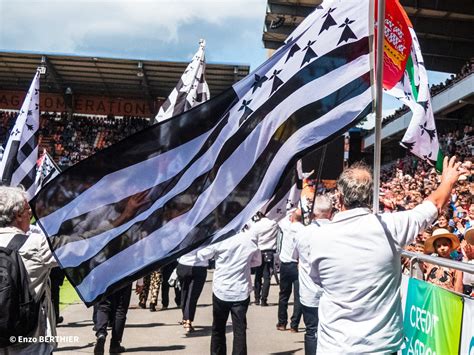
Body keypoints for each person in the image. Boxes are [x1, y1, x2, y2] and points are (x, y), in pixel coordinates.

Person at [306, 157, 463, 353]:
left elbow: (317, 280)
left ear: (339, 198)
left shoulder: (318, 236)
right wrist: (447, 181)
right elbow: (434, 205)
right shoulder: (391, 227)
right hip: (380, 346)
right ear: (371, 196)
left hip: (336, 346)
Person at [0, 186, 57, 354]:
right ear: (17, 215)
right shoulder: (36, 244)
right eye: (28, 210)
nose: (30, 214)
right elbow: (79, 249)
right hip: (29, 341)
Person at [197, 229, 261, 355]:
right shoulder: (250, 237)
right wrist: (244, 264)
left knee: (218, 328)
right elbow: (257, 261)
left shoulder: (221, 237)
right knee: (239, 329)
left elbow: (202, 254)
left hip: (222, 289)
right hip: (241, 290)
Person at [294, 195, 333, 355]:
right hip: (332, 293)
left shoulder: (302, 233)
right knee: (331, 333)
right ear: (330, 212)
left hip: (310, 293)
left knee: (312, 332)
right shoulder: (338, 231)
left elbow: (294, 258)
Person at [276, 209, 303, 332]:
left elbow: (280, 218)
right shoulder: (304, 230)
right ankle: (294, 325)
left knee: (283, 295)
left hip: (286, 265)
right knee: (298, 297)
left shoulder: (287, 226)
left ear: (292, 217)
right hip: (298, 265)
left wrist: (289, 212)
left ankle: (282, 323)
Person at [250, 212, 280, 306]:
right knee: (267, 276)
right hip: (269, 251)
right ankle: (264, 299)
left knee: (258, 276)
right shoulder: (273, 223)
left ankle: (256, 298)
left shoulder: (256, 225)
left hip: (259, 251)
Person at [93, 283, 133, 354]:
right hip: (124, 275)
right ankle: (115, 344)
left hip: (104, 276)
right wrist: (140, 281)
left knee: (103, 306)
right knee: (121, 308)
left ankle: (101, 334)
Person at [176, 249, 208, 333]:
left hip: (183, 265)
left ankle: (185, 318)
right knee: (193, 295)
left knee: (184, 292)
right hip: (199, 266)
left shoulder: (184, 236)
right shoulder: (205, 236)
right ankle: (188, 320)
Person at [424, 228, 463, 293]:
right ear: (435, 249)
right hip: (430, 295)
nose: (442, 248)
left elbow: (458, 287)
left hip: (446, 298)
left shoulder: (456, 266)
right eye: (438, 246)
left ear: (450, 245)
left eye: (445, 245)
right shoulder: (430, 262)